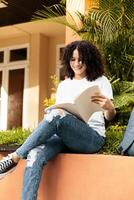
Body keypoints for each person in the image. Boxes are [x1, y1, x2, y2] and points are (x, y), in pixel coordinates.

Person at [0, 40, 116, 200]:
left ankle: (15, 157)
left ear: (89, 59)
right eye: (73, 59)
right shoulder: (65, 85)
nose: (77, 63)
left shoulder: (101, 81)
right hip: (63, 137)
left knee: (57, 114)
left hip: (91, 138)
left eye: (81, 59)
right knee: (35, 154)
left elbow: (109, 116)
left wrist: (109, 108)